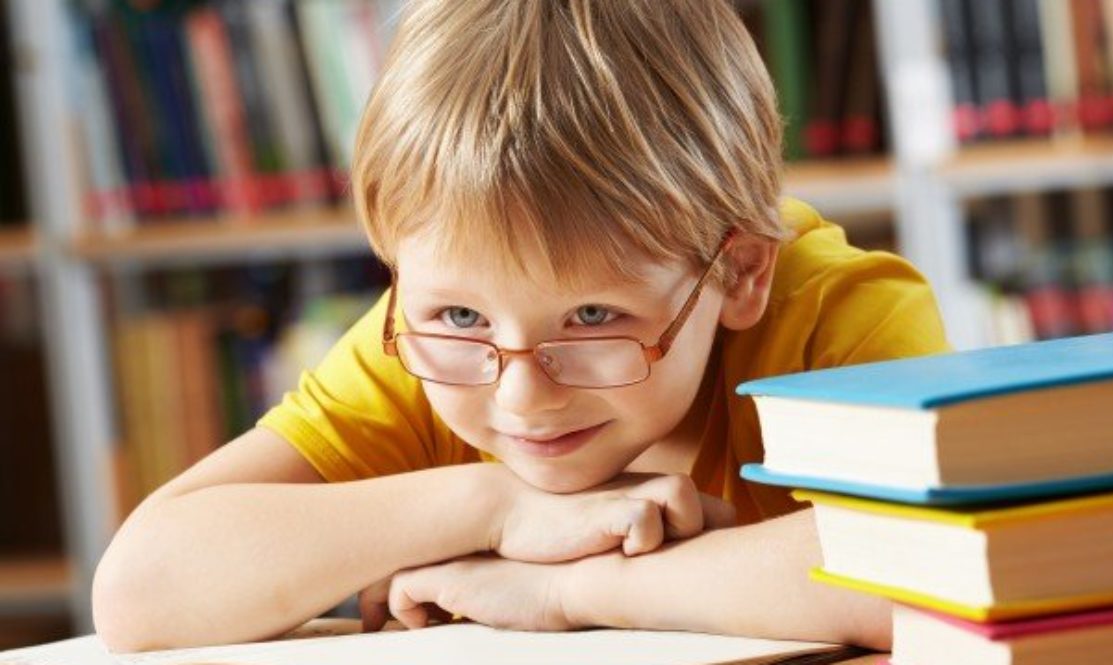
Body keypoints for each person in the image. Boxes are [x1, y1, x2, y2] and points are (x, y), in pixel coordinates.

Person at [93, 0, 949, 652]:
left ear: (740, 272)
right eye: (460, 312)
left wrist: (571, 591)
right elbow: (141, 588)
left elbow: (936, 571)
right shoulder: (431, 345)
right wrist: (494, 507)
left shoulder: (836, 317)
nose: (522, 394)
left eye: (592, 317)